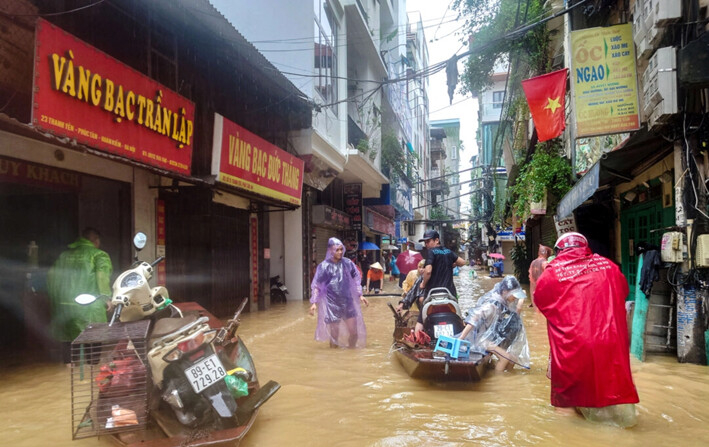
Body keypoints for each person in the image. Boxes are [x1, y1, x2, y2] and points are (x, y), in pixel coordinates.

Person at [534, 232, 639, 427]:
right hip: (611, 341)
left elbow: (541, 302)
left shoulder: (552, 271)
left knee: (567, 402)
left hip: (573, 345)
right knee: (611, 392)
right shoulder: (609, 266)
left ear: (559, 250)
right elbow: (623, 292)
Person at [47, 227, 113, 364]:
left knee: (68, 337)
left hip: (65, 305)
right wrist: (106, 298)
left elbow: (52, 278)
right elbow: (102, 277)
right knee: (94, 335)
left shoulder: (64, 255)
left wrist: (56, 300)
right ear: (95, 240)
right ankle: (92, 366)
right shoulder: (99, 255)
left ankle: (68, 367)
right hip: (90, 305)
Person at [458, 276, 530, 371]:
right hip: (481, 340)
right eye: (514, 294)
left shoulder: (504, 302)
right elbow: (473, 318)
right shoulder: (491, 305)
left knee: (513, 359)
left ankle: (504, 375)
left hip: (490, 339)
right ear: (504, 291)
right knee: (504, 358)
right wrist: (461, 338)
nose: (515, 297)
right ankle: (498, 380)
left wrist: (520, 300)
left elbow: (516, 315)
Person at [309, 238, 369, 348]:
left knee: (354, 333)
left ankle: (351, 352)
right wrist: (314, 302)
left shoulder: (348, 263)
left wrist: (360, 294)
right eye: (337, 250)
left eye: (341, 249)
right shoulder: (324, 266)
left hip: (348, 302)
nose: (340, 252)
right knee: (334, 336)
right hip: (332, 305)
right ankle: (334, 358)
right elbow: (317, 285)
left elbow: (356, 278)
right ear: (330, 250)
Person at [414, 230, 467, 333]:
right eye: (425, 242)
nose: (426, 244)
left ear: (437, 240)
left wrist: (423, 284)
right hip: (450, 293)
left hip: (432, 294)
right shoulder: (449, 252)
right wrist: (451, 264)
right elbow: (462, 262)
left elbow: (428, 271)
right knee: (458, 317)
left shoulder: (431, 252)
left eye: (428, 241)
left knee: (420, 320)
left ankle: (417, 342)